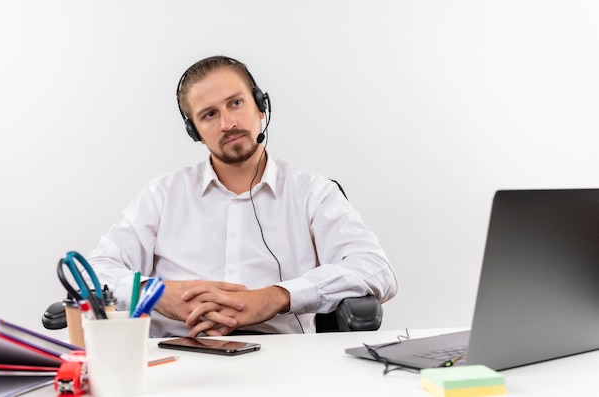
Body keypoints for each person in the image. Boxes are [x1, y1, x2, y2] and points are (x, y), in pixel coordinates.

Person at [87, 55, 398, 337]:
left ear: (261, 107)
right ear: (194, 131)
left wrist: (278, 297)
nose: (228, 124)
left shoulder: (312, 193)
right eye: (209, 114)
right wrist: (154, 294)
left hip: (285, 361)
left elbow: (375, 268)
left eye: (235, 103)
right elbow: (91, 272)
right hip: (176, 357)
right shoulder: (163, 195)